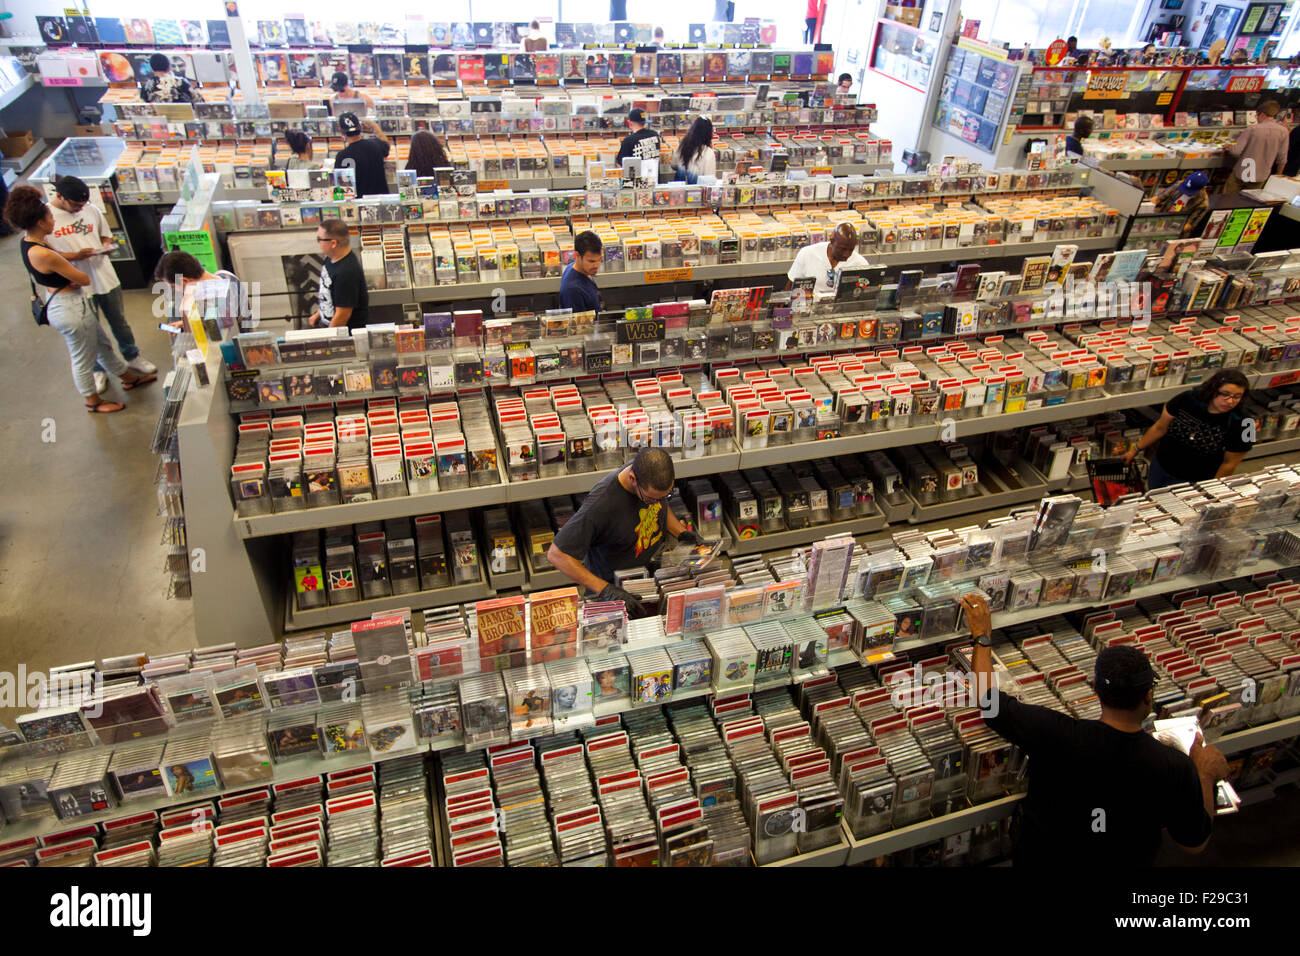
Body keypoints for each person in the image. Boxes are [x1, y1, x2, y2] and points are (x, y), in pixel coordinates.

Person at [963, 592, 1230, 867]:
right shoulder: (1173, 766)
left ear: (1095, 690)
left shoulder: (1056, 734)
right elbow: (1194, 843)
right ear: (1148, 697)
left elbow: (988, 701)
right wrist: (1205, 775)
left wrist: (981, 636)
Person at [6, 185, 154, 414]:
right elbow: (83, 278)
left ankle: (128, 378)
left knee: (102, 345)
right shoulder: (43, 252)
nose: (53, 221)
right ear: (40, 221)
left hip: (70, 302)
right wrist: (74, 271)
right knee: (83, 359)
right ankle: (93, 402)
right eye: (49, 217)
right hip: (70, 309)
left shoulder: (32, 242)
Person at [546, 448, 702, 618]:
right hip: (613, 594)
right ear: (632, 479)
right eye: (651, 498)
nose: (657, 501)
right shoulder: (601, 504)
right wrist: (606, 590)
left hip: (645, 580)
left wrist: (680, 533)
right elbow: (556, 554)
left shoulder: (647, 472)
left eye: (666, 495)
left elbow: (660, 505)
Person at [46, 176, 157, 399]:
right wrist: (73, 256)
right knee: (91, 331)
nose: (79, 209)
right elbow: (44, 253)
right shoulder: (46, 218)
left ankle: (132, 356)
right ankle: (99, 370)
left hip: (104, 277)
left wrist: (105, 246)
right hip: (75, 284)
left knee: (119, 321)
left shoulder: (91, 210)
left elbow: (106, 235)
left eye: (82, 205)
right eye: (75, 205)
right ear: (60, 197)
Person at [1122, 369, 1253, 489]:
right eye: (1225, 394)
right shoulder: (1188, 398)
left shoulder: (1245, 422)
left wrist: (1213, 489)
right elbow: (1160, 427)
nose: (1230, 401)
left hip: (1194, 480)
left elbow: (1230, 463)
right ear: (1213, 389)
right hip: (1161, 466)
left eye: (1237, 396)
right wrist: (1135, 449)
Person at [153, 250, 244, 332]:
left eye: (174, 286)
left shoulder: (210, 303)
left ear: (184, 280)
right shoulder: (225, 275)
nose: (176, 289)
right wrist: (184, 323)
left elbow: (217, 332)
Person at [307, 219, 371, 331]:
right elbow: (331, 295)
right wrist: (319, 314)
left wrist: (329, 339)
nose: (318, 243)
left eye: (319, 239)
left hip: (345, 336)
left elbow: (342, 315)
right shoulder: (331, 259)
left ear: (333, 243)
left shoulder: (346, 272)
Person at [785, 221, 870, 295]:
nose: (846, 254)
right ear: (832, 241)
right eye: (842, 249)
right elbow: (790, 288)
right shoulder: (807, 253)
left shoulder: (861, 264)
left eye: (851, 250)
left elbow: (864, 294)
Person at [1225, 99, 1288, 193]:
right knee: (1250, 202)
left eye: (1256, 116)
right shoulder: (1283, 131)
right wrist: (1278, 176)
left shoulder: (1252, 129)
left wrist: (1228, 147)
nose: (1257, 119)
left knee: (1227, 200)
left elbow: (1236, 151)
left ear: (1262, 114)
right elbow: (1282, 158)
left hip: (1242, 173)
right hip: (1261, 176)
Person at [334, 111, 391, 198]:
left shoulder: (342, 155)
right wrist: (374, 125)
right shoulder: (376, 144)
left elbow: (342, 187)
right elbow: (386, 144)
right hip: (381, 200)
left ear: (341, 131)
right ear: (360, 127)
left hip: (358, 203)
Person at [1152, 170, 1212, 238]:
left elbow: (1188, 226)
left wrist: (1168, 229)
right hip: (1160, 221)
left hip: (1176, 233)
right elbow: (1158, 198)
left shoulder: (1203, 204)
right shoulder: (1180, 184)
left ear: (1203, 189)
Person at [559, 230, 603, 312]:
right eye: (591, 261)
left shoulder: (583, 270)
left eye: (599, 259)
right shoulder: (573, 289)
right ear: (577, 255)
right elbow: (579, 324)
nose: (596, 265)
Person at [672, 116, 717, 183]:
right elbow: (709, 180)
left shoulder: (682, 145)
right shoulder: (708, 153)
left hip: (679, 190)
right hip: (696, 192)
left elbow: (673, 165)